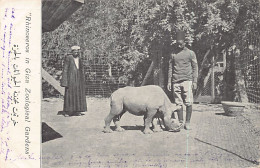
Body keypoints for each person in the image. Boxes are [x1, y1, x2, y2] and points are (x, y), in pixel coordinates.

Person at [167, 31, 198, 130]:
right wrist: (169, 81)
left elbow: (195, 67)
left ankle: (187, 122)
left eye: (181, 43)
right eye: (178, 43)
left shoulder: (190, 53)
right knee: (178, 103)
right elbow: (170, 68)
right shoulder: (173, 54)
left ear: (185, 42)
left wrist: (195, 81)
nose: (179, 45)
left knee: (188, 102)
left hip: (187, 81)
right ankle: (180, 122)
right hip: (176, 81)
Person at [60, 46, 87, 116]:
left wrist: (83, 79)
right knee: (70, 94)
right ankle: (67, 111)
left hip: (78, 79)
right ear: (72, 52)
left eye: (77, 51)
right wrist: (65, 81)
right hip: (70, 79)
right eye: (74, 51)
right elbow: (65, 69)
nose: (76, 52)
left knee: (78, 94)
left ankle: (77, 111)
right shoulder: (69, 58)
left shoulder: (79, 58)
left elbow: (81, 69)